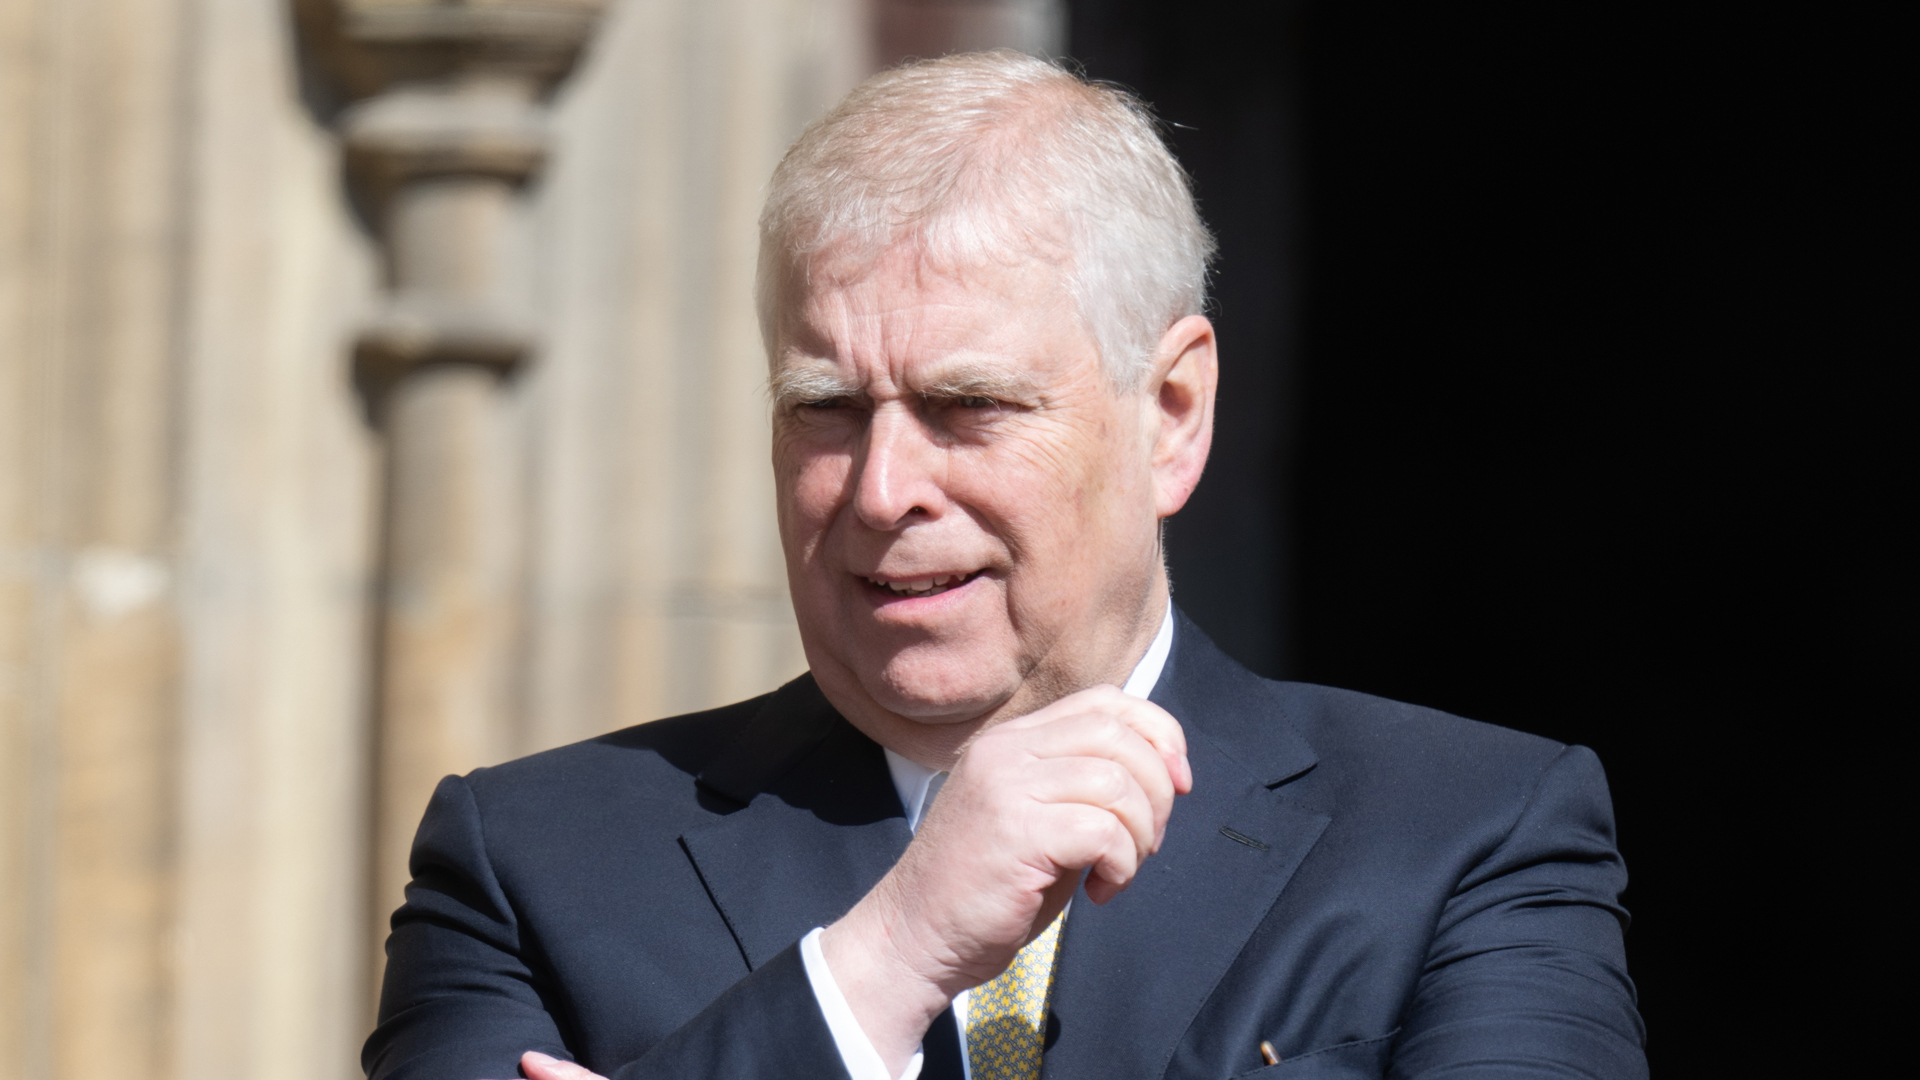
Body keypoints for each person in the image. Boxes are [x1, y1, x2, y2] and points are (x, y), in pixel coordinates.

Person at [363, 50, 1646, 1080]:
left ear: (1172, 414)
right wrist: (887, 960)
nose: (880, 491)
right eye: (826, 408)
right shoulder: (532, 864)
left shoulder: (1465, 839)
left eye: (967, 405)